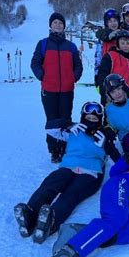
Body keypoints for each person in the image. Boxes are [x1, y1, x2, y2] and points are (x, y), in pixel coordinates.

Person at [13, 102, 106, 244]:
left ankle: (50, 222)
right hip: (68, 167)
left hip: (91, 172)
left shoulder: (103, 136)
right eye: (88, 117)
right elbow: (50, 128)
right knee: (50, 184)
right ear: (82, 117)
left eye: (94, 119)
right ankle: (29, 214)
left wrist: (107, 143)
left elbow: (118, 155)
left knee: (71, 194)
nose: (90, 122)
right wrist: (68, 124)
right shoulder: (73, 131)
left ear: (100, 121)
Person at [31, 12, 83, 163]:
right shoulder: (43, 44)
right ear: (50, 25)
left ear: (64, 26)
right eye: (55, 23)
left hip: (67, 89)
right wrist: (43, 76)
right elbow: (35, 63)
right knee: (52, 121)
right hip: (49, 90)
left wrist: (73, 77)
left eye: (60, 23)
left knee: (66, 120)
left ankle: (65, 148)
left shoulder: (71, 46)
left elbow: (78, 65)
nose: (58, 25)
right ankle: (54, 151)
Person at [95, 30, 129, 106]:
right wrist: (105, 94)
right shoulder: (110, 56)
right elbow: (102, 75)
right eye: (122, 43)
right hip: (111, 96)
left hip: (126, 98)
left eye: (128, 43)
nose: (125, 45)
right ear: (118, 44)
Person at [94, 9, 121, 82]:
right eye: (110, 21)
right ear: (106, 23)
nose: (113, 23)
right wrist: (97, 75)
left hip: (121, 74)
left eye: (115, 21)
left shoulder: (122, 36)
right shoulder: (103, 37)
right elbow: (98, 59)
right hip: (106, 74)